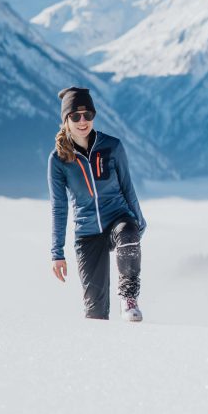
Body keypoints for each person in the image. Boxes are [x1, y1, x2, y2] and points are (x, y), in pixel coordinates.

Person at [48, 87, 146, 322]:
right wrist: (57, 253)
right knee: (96, 313)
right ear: (66, 120)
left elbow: (127, 186)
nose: (83, 121)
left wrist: (138, 223)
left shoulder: (112, 146)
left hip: (118, 219)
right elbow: (59, 207)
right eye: (75, 116)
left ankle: (129, 297)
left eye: (88, 115)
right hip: (87, 234)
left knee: (128, 231)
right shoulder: (58, 159)